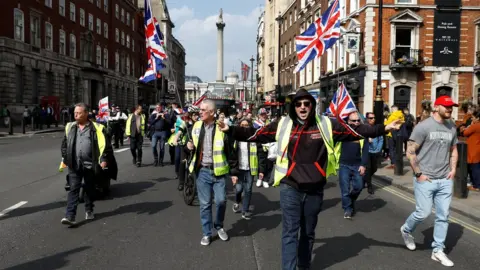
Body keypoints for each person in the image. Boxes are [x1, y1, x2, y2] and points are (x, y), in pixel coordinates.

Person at [219, 89, 400, 270]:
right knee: (290, 232)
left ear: (312, 106)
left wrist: (383, 128)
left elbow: (356, 130)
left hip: (315, 189)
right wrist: (232, 130)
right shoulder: (283, 124)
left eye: (306, 103)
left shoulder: (326, 124)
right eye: (298, 104)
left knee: (308, 232)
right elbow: (255, 134)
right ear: (294, 107)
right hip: (290, 187)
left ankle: (304, 265)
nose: (302, 107)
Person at [400, 95, 459, 267]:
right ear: (436, 107)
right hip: (426, 178)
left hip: (445, 179)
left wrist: (453, 169)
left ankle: (438, 250)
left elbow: (454, 149)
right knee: (423, 212)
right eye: (446, 106)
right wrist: (418, 174)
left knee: (443, 216)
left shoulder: (452, 127)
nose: (450, 109)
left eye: (451, 107)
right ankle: (406, 229)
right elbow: (410, 151)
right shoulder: (423, 127)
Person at [185, 99, 232, 246]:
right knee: (205, 204)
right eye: (200, 109)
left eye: (203, 110)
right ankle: (207, 233)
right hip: (202, 172)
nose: (200, 112)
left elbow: (230, 150)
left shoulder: (222, 127)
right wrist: (189, 146)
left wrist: (235, 172)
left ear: (212, 112)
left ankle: (218, 226)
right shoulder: (196, 126)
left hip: (218, 172)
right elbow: (189, 144)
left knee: (221, 201)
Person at [60, 103, 114, 225]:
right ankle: (70, 216)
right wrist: (66, 157)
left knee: (89, 189)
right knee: (74, 189)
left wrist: (103, 159)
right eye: (75, 112)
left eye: (78, 112)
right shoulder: (70, 127)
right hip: (75, 164)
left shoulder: (97, 128)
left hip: (91, 164)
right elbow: (64, 145)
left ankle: (89, 208)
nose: (76, 114)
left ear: (86, 113)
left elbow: (105, 146)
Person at [336, 111, 369, 219]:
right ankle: (348, 209)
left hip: (357, 165)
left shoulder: (362, 134)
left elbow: (365, 150)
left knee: (359, 187)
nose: (356, 122)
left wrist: (363, 165)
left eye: (358, 120)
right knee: (345, 190)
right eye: (353, 120)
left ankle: (350, 200)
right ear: (348, 121)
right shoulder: (342, 132)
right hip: (343, 165)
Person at [230, 119, 260, 220]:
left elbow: (260, 154)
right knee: (239, 189)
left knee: (248, 190)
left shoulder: (253, 138)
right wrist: (233, 171)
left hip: (250, 169)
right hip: (239, 169)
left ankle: (245, 210)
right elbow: (232, 155)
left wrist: (261, 170)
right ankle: (237, 201)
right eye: (242, 125)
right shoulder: (235, 139)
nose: (244, 127)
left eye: (246, 125)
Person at [364, 112, 384, 194]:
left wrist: (378, 149)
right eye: (371, 118)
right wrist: (366, 140)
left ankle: (365, 179)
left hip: (375, 152)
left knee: (374, 168)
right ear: (367, 119)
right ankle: (369, 186)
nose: (373, 119)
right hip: (367, 152)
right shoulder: (364, 128)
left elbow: (381, 139)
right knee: (368, 169)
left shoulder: (377, 128)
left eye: (374, 118)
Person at [461, 111, 480, 191]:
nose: (472, 119)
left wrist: (464, 128)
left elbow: (465, 133)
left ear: (478, 118)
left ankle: (476, 185)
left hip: (473, 149)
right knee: (477, 167)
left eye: (473, 117)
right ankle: (475, 184)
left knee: (474, 168)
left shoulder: (475, 126)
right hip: (478, 148)